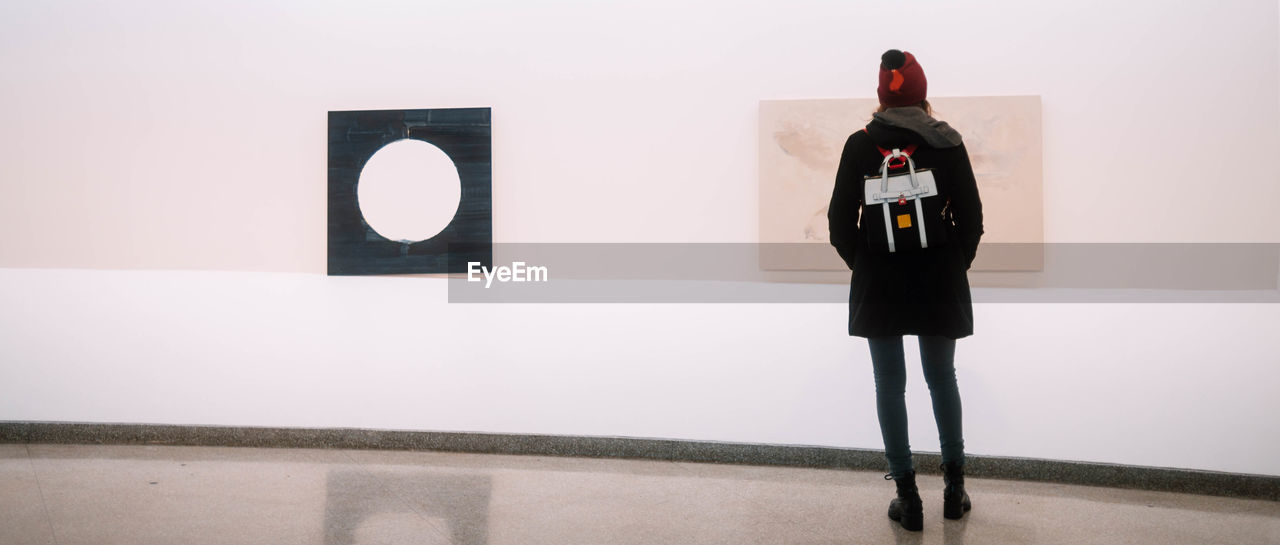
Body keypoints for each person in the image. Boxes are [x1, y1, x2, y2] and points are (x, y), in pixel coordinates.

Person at [827, 49, 983, 532]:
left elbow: (838, 224)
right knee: (943, 379)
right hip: (939, 278)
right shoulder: (947, 142)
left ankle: (908, 497)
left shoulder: (860, 144)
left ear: (882, 95)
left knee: (889, 386)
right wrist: (953, 263)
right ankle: (954, 491)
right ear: (924, 94)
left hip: (881, 282)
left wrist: (869, 264)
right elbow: (972, 220)